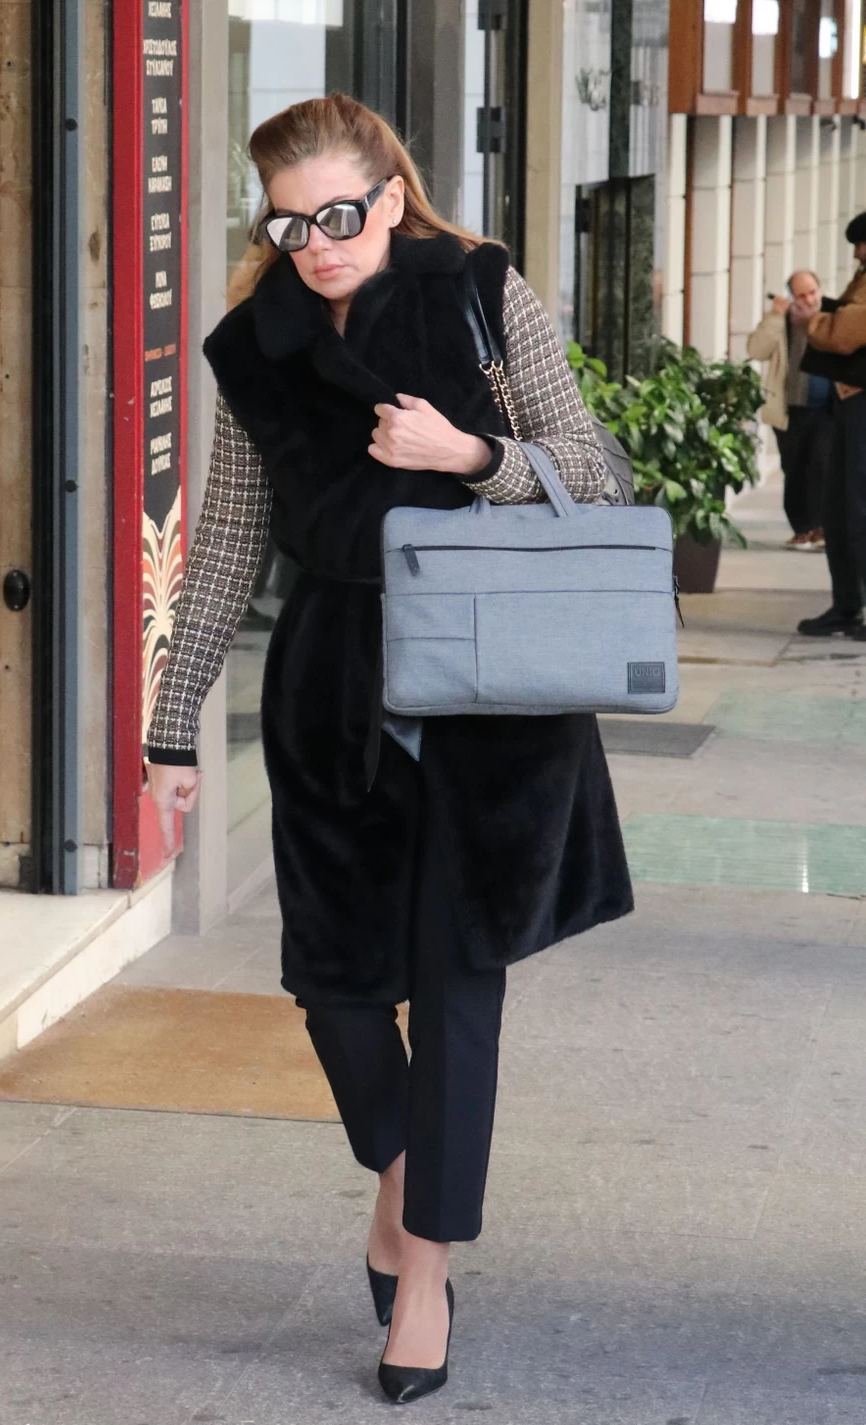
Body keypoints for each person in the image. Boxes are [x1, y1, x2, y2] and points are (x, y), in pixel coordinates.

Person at [145, 94, 632, 1404]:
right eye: (289, 223)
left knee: (458, 985)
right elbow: (229, 543)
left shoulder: (477, 292)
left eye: (338, 215)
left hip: (488, 687)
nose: (315, 244)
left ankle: (423, 1275)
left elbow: (597, 470)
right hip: (334, 687)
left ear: (392, 196)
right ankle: (405, 1176)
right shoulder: (254, 348)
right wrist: (170, 727)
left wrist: (469, 453)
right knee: (338, 989)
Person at [798, 213, 866, 637]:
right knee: (839, 508)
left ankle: (851, 604)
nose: (856, 253)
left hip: (861, 403)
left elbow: (844, 334)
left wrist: (814, 320)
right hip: (849, 401)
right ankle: (846, 605)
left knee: (858, 507)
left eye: (860, 244)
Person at [747, 270, 833, 550]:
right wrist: (774, 316)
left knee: (822, 465)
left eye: (812, 292)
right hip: (791, 409)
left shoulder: (833, 316)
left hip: (828, 409)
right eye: (801, 295)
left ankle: (821, 528)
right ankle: (801, 529)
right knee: (794, 468)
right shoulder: (783, 321)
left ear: (820, 290)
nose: (809, 300)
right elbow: (756, 350)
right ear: (792, 296)